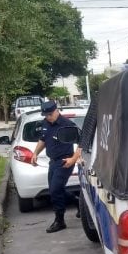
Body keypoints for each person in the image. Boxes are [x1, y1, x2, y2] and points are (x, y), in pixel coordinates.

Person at [31, 100, 81, 233]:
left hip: (65, 161)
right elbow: (43, 140)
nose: (48, 117)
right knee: (56, 190)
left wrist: (73, 159)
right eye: (46, 115)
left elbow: (81, 144)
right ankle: (78, 201)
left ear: (57, 111)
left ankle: (60, 221)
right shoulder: (45, 123)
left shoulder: (67, 125)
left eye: (50, 114)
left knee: (54, 190)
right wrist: (35, 153)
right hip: (53, 162)